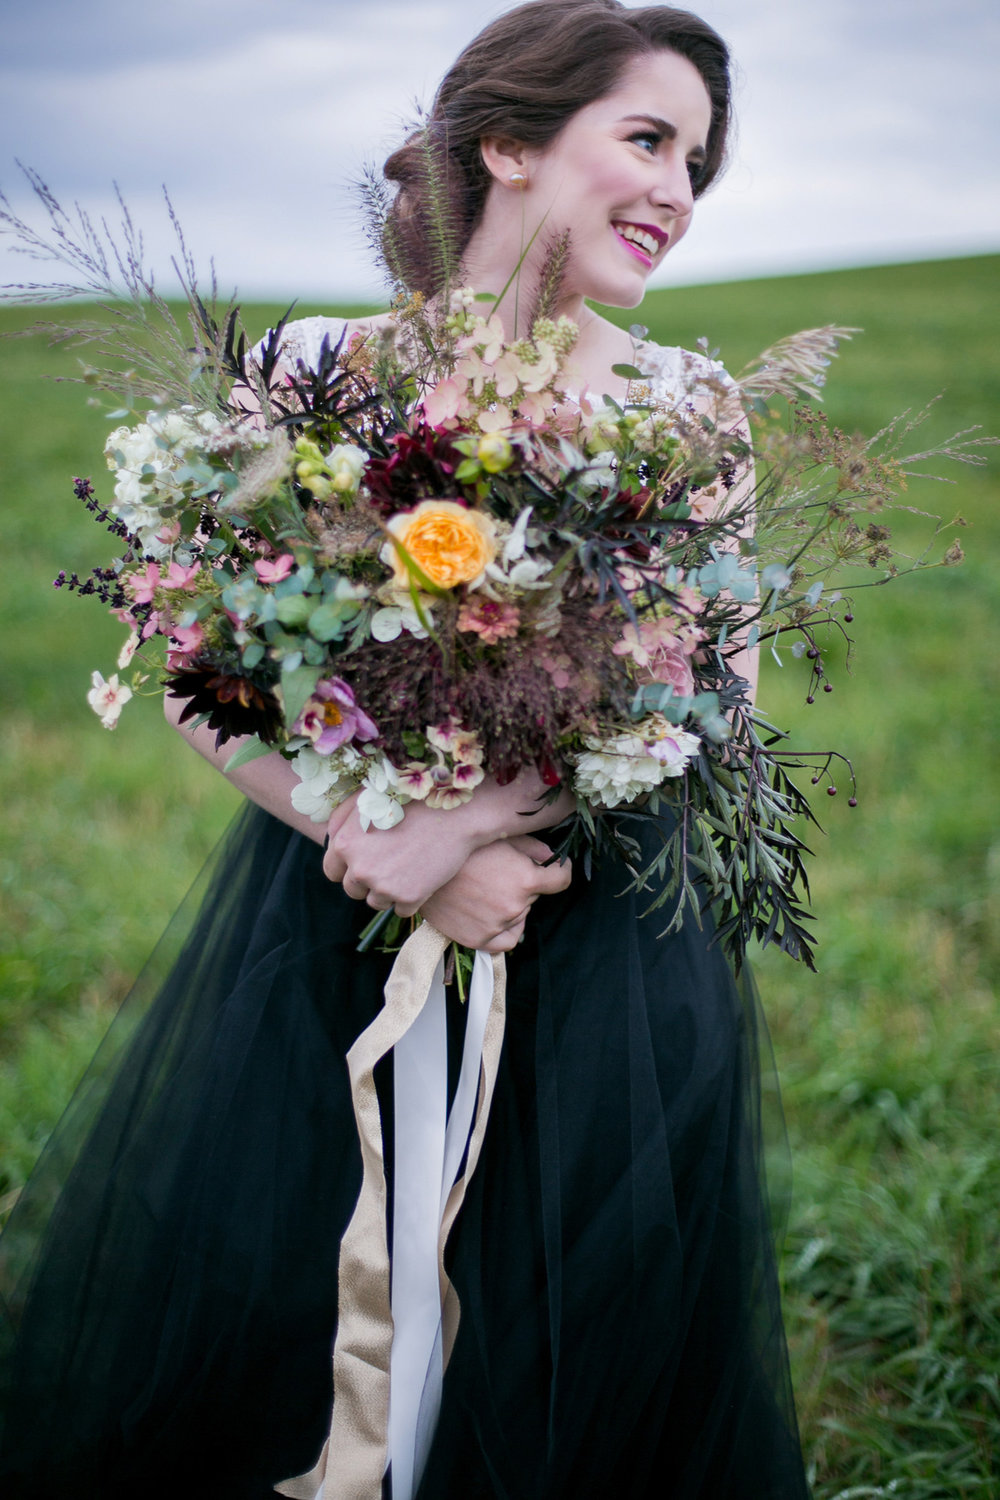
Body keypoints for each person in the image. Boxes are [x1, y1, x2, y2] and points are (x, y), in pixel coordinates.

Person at [0, 3, 811, 1496]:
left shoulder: (684, 403)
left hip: (602, 949)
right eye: (645, 138)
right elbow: (199, 675)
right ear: (507, 142)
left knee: (572, 1336)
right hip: (332, 913)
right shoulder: (318, 370)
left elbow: (714, 703)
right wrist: (384, 847)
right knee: (282, 1310)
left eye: (698, 160)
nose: (680, 191)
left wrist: (466, 834)